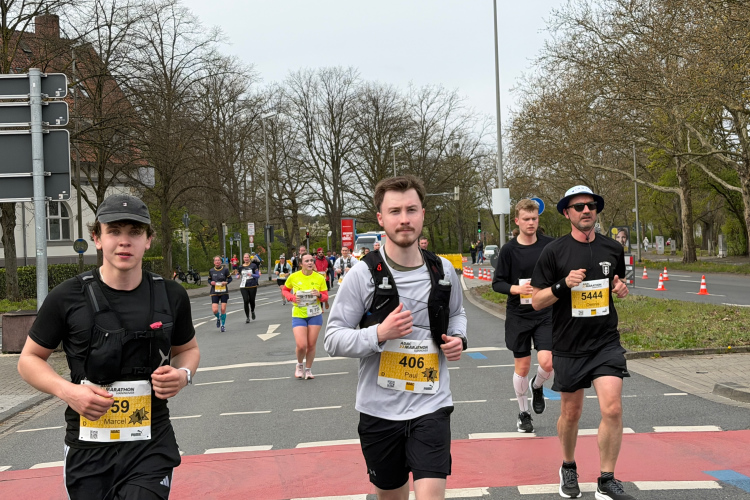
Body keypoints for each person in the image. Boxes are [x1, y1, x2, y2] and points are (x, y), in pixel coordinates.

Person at [17, 193, 200, 500]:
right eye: (114, 231)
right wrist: (68, 392)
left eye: (135, 232)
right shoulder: (67, 296)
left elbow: (189, 350)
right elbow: (28, 360)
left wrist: (183, 375)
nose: (124, 241)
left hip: (150, 444)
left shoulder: (171, 295)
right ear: (97, 238)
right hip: (88, 447)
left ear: (148, 240)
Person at [325, 175, 467, 500]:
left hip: (431, 404)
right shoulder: (363, 275)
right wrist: (379, 333)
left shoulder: (443, 270)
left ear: (423, 214)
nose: (404, 219)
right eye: (395, 211)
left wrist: (458, 337)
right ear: (381, 218)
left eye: (411, 210)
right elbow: (332, 339)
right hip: (379, 411)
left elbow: (458, 312)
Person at [531, 185, 633, 500]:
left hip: (605, 342)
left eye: (591, 205)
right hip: (569, 344)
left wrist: (620, 288)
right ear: (567, 213)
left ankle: (606, 479)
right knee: (571, 413)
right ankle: (568, 465)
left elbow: (617, 281)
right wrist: (563, 284)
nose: (586, 210)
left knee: (612, 408)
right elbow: (536, 300)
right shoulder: (554, 252)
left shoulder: (612, 248)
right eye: (579, 207)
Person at [492, 199, 555, 433]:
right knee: (523, 365)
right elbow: (497, 283)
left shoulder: (550, 245)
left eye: (534, 218)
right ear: (517, 221)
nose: (531, 223)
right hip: (519, 314)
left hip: (545, 311)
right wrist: (515, 289)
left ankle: (536, 386)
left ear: (538, 219)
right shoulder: (509, 250)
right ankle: (523, 413)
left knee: (548, 363)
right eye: (526, 219)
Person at [282, 253, 329, 379]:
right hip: (299, 314)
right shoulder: (294, 276)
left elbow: (325, 297)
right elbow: (285, 290)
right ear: (301, 264)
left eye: (311, 260)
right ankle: (299, 365)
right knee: (301, 345)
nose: (310, 263)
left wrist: (319, 295)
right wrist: (292, 298)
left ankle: (308, 370)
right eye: (307, 261)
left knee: (311, 344)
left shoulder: (319, 278)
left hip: (315, 314)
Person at [208, 255, 232, 332]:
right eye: (216, 260)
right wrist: (211, 282)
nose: (217, 262)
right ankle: (218, 318)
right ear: (214, 262)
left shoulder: (225, 270)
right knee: (215, 310)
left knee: (223, 309)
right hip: (214, 292)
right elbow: (209, 280)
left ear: (221, 262)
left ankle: (223, 325)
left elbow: (230, 278)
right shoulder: (211, 270)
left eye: (218, 260)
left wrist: (226, 282)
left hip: (223, 291)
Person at [236, 253, 260, 323]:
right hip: (243, 286)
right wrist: (237, 276)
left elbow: (258, 275)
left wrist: (252, 275)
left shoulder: (253, 265)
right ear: (243, 258)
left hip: (252, 285)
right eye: (245, 257)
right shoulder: (240, 267)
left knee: (252, 300)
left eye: (247, 257)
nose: (246, 259)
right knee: (246, 301)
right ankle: (247, 317)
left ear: (249, 258)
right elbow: (237, 274)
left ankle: (252, 311)